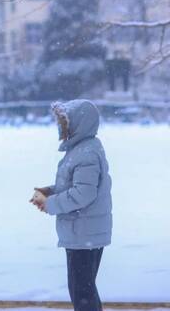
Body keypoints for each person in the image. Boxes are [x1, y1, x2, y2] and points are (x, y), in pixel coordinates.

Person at [30, 99, 113, 311]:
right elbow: (75, 185)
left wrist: (50, 204)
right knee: (83, 290)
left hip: (84, 233)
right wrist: (50, 191)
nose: (60, 127)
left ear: (79, 124)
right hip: (83, 233)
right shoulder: (81, 149)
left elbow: (83, 194)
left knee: (82, 293)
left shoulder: (86, 153)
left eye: (64, 123)